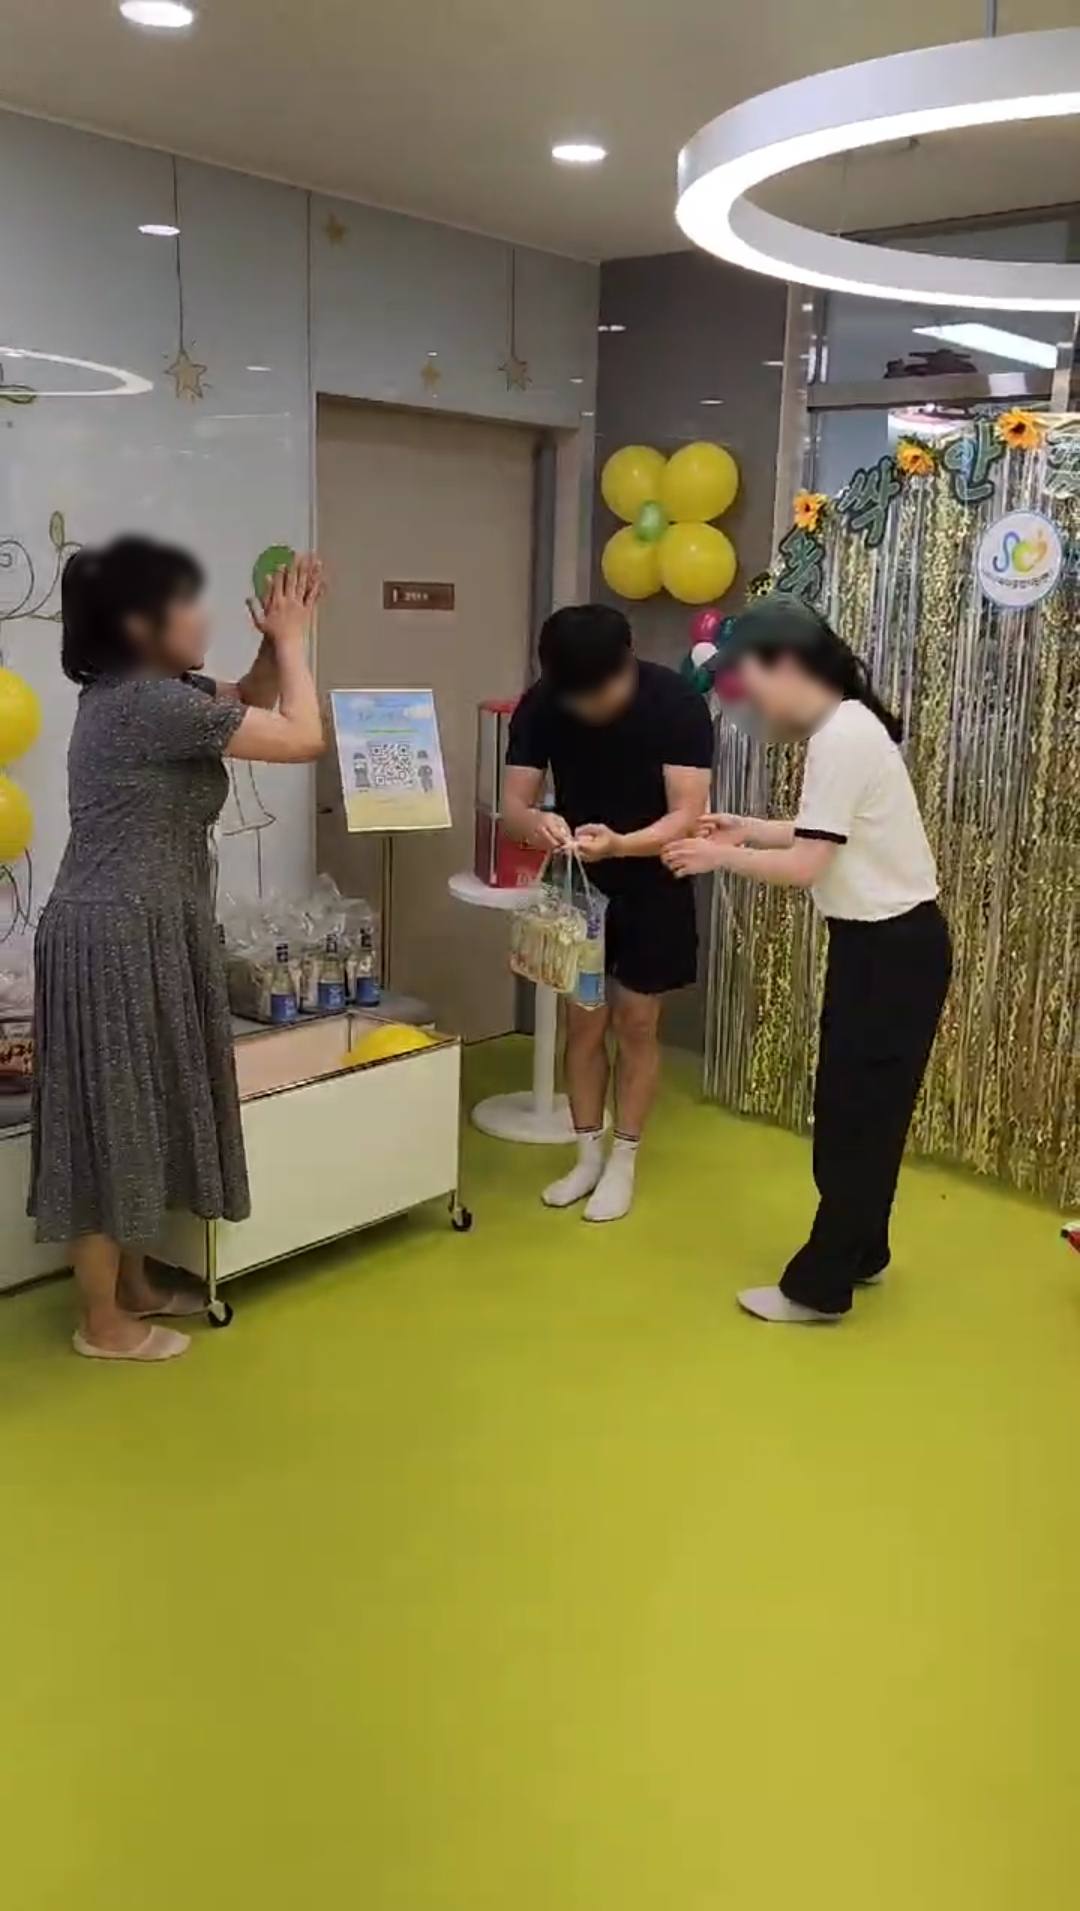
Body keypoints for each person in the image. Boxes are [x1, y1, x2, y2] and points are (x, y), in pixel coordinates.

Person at [29, 538, 326, 1361]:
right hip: (115, 934)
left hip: (149, 925)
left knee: (140, 1107)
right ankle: (101, 1323)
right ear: (138, 624)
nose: (202, 616)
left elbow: (250, 698)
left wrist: (271, 647)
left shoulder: (158, 694)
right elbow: (303, 736)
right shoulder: (145, 705)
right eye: (185, 602)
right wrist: (295, 642)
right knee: (109, 1120)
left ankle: (132, 1286)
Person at [664, 593, 951, 1323]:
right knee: (872, 1113)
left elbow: (806, 865)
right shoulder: (847, 726)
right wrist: (749, 827)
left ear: (788, 664)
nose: (754, 704)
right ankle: (864, 1249)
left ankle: (820, 1286)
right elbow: (828, 829)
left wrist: (718, 856)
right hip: (890, 946)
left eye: (753, 684)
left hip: (888, 951)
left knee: (854, 1118)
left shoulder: (841, 735)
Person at [503, 604, 713, 1221]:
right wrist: (537, 823)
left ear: (628, 660)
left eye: (601, 693)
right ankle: (587, 1155)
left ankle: (625, 1159)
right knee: (584, 1024)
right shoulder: (543, 703)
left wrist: (622, 844)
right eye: (578, 697)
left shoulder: (675, 702)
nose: (590, 707)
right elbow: (513, 805)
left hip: (654, 884)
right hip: (578, 888)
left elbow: (688, 815)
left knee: (638, 1024)